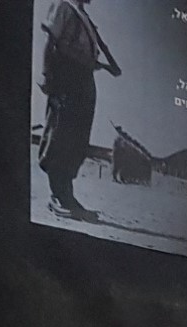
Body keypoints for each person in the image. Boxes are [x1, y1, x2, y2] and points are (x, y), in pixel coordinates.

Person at [38, 0, 120, 220]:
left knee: (77, 139)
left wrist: (104, 66)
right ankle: (58, 196)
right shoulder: (64, 6)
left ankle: (67, 196)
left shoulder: (85, 18)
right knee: (60, 134)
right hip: (67, 76)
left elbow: (86, 56)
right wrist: (46, 74)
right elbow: (50, 40)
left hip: (84, 80)